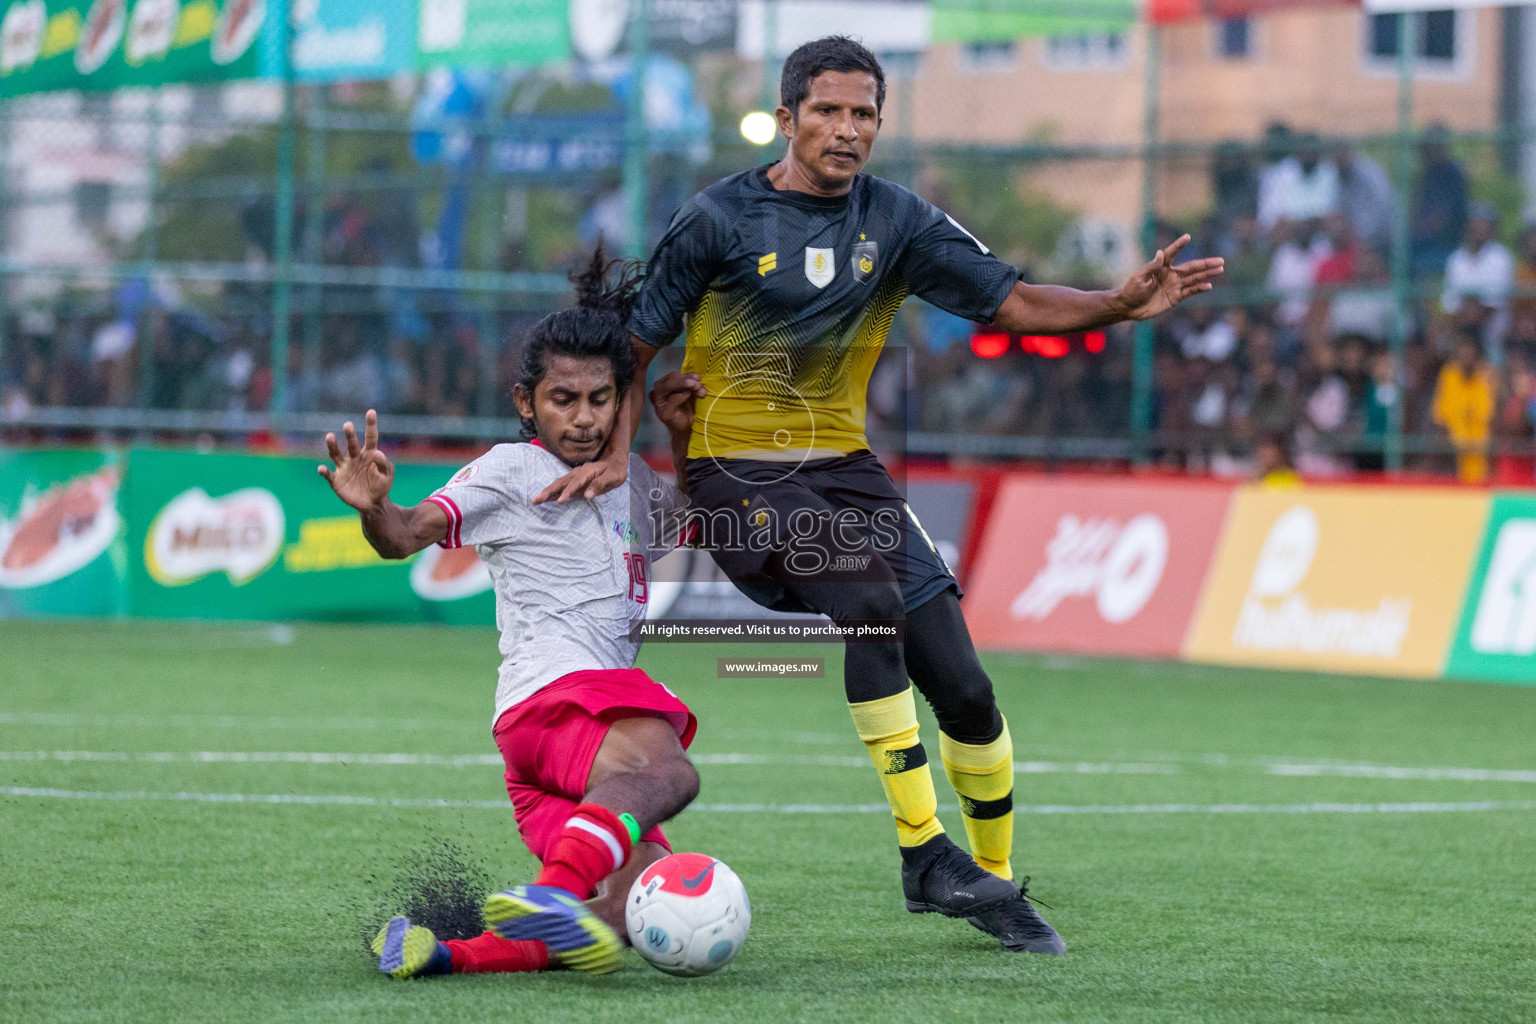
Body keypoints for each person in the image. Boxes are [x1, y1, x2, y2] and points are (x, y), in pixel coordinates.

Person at [537, 36, 1222, 956]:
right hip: (737, 474)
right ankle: (924, 854)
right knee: (866, 597)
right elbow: (637, 345)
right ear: (787, 119)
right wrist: (625, 450)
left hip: (847, 472)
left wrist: (1115, 302)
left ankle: (993, 883)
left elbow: (1011, 301)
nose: (847, 129)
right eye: (827, 110)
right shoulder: (719, 219)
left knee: (968, 690)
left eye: (864, 114)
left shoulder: (895, 221)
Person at [319, 249, 705, 979]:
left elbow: (684, 525)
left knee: (631, 911)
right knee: (672, 771)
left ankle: (444, 957)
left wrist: (681, 437)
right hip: (561, 699)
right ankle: (551, 893)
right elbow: (404, 535)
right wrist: (375, 508)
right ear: (528, 402)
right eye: (565, 400)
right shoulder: (510, 469)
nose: (585, 418)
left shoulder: (629, 480)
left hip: (552, 756)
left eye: (600, 399)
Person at [1442, 203, 1514, 361]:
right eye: (1475, 223)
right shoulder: (1456, 259)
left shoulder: (1500, 256)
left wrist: (1471, 316)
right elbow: (1451, 306)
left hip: (1493, 333)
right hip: (1462, 331)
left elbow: (1492, 306)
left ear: (1492, 228)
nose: (1479, 228)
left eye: (1483, 224)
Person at [1432, 332, 1497, 484]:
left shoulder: (1486, 375)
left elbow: (1492, 414)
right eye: (1462, 355)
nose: (1466, 359)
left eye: (1470, 355)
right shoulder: (1448, 375)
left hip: (1481, 451)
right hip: (1453, 451)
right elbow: (1439, 415)